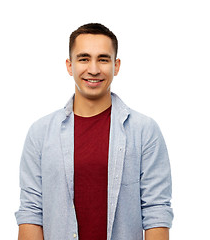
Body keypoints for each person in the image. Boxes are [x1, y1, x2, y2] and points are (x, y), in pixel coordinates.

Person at [15, 23, 173, 240]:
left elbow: (156, 211)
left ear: (116, 66)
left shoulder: (144, 131)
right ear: (70, 66)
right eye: (84, 58)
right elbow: (31, 211)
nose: (94, 69)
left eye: (103, 59)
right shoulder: (40, 133)